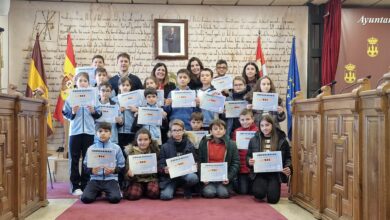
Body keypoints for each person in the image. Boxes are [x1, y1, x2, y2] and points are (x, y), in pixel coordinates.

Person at [62, 72, 101, 196]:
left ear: (88, 83)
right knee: (74, 159)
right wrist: (73, 112)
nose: (83, 83)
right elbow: (65, 114)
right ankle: (75, 186)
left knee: (87, 159)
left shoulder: (94, 97)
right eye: (80, 81)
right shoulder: (70, 97)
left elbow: (99, 114)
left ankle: (86, 184)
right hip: (75, 132)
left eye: (85, 81)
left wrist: (93, 111)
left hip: (89, 132)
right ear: (76, 83)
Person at [246, 115, 292, 204]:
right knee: (259, 194)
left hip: (275, 174)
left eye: (267, 125)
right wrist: (249, 161)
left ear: (273, 125)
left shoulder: (282, 140)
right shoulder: (253, 140)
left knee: (273, 200)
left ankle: (271, 187)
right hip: (259, 174)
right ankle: (263, 187)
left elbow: (288, 158)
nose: (264, 128)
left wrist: (288, 167)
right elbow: (248, 156)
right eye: (262, 126)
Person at [80, 122, 125, 204]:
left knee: (115, 199)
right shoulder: (91, 148)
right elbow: (85, 166)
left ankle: (110, 190)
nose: (103, 133)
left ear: (110, 133)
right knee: (85, 199)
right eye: (100, 131)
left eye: (106, 131)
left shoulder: (116, 148)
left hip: (111, 179)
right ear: (96, 134)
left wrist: (114, 170)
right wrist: (91, 170)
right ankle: (98, 192)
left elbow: (122, 166)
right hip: (95, 179)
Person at [158, 119, 199, 200]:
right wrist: (164, 169)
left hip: (185, 176)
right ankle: (175, 187)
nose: (177, 132)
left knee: (193, 177)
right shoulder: (164, 147)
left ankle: (186, 187)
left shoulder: (190, 145)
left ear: (183, 131)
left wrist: (196, 165)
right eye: (174, 130)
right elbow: (160, 164)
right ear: (171, 132)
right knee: (165, 196)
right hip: (171, 178)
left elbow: (195, 160)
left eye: (179, 130)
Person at [198, 119, 240, 199]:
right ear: (210, 131)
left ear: (225, 131)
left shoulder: (232, 144)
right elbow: (200, 161)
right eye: (215, 129)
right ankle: (209, 188)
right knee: (209, 193)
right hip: (209, 179)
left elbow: (236, 163)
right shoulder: (204, 143)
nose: (218, 131)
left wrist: (229, 177)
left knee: (223, 194)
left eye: (221, 129)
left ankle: (223, 188)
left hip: (223, 178)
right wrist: (203, 177)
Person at [124, 128, 160, 200]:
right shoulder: (131, 153)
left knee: (154, 193)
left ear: (150, 140)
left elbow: (159, 169)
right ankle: (141, 189)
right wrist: (129, 174)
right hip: (136, 180)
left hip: (151, 179)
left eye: (145, 139)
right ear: (136, 141)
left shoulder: (155, 151)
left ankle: (146, 190)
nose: (143, 142)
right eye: (140, 140)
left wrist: (156, 169)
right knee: (132, 195)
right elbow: (126, 172)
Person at [231, 109, 258, 194]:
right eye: (242, 120)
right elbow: (234, 148)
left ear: (253, 119)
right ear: (239, 120)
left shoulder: (257, 131)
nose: (245, 122)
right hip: (241, 166)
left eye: (247, 119)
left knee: (253, 191)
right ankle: (234, 183)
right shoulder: (237, 131)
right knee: (243, 191)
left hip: (253, 166)